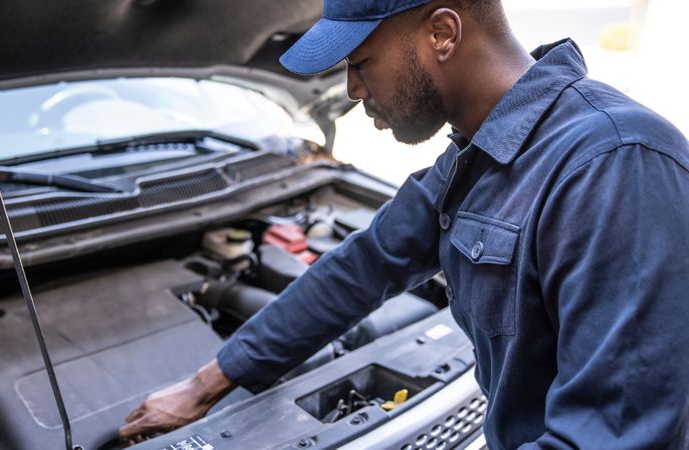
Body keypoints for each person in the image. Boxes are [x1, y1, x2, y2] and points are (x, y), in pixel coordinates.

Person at [119, 0, 689, 448]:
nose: (352, 91)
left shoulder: (615, 164)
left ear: (442, 33)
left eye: (361, 62)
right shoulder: (477, 161)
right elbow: (364, 265)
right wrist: (205, 385)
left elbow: (613, 437)